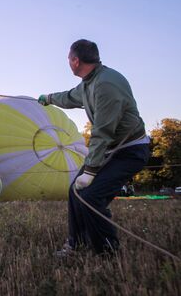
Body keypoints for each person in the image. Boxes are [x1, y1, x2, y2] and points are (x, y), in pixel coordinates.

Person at [38, 39, 150, 256]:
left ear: (75, 60)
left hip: (130, 150)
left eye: (68, 59)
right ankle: (76, 243)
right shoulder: (90, 82)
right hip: (112, 149)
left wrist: (90, 171)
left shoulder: (106, 85)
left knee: (91, 196)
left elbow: (102, 132)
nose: (68, 63)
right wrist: (49, 98)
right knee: (75, 191)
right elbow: (71, 97)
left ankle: (107, 251)